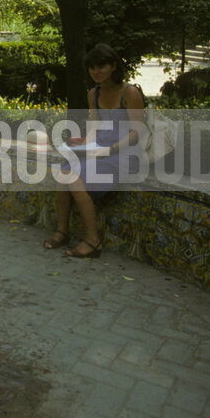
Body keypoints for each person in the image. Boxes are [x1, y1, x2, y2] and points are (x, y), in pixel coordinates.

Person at [44, 43, 145, 259]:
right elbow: (97, 128)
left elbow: (138, 133)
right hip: (101, 150)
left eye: (101, 66)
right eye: (92, 67)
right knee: (63, 172)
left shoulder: (130, 92)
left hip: (125, 155)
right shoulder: (93, 94)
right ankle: (63, 230)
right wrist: (85, 144)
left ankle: (93, 241)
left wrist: (110, 150)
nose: (96, 72)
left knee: (73, 177)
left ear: (114, 66)